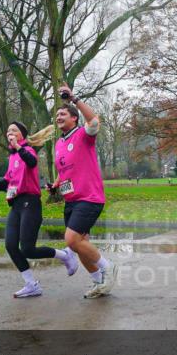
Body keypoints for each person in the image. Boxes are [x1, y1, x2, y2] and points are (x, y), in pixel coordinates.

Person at [0, 122, 78, 298]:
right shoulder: (12, 157)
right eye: (8, 130)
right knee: (11, 246)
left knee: (27, 249)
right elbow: (7, 181)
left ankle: (65, 255)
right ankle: (31, 284)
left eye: (14, 130)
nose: (10, 132)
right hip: (16, 205)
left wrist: (19, 147)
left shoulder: (28, 151)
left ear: (22, 136)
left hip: (31, 204)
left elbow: (32, 161)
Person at [52, 83, 118, 299]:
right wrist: (56, 184)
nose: (59, 117)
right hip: (72, 200)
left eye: (63, 114)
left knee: (72, 240)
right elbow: (65, 169)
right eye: (57, 114)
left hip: (90, 198)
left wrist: (74, 99)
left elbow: (94, 120)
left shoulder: (83, 134)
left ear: (74, 118)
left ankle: (109, 268)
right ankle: (99, 282)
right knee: (81, 245)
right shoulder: (59, 143)